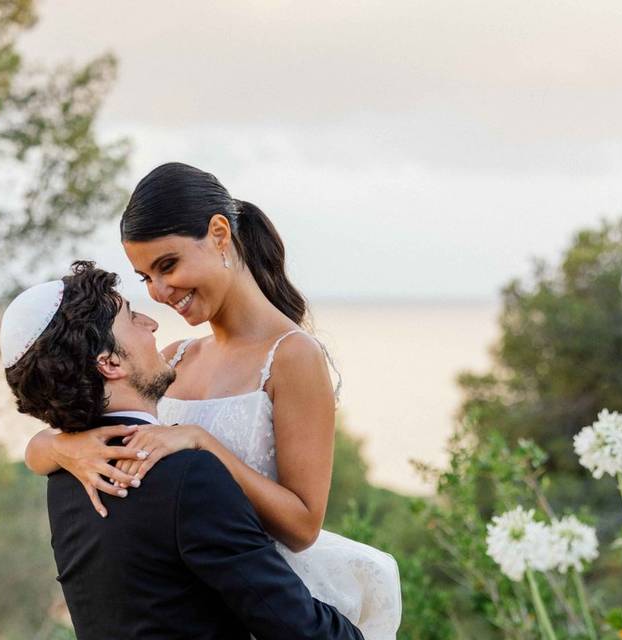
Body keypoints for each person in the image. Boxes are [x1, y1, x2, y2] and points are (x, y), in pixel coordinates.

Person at [25, 163, 401, 639]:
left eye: (168, 265)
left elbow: (304, 525)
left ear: (219, 235)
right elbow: (50, 443)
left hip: (267, 603)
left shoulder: (292, 357)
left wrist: (203, 443)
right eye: (145, 278)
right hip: (187, 606)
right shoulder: (173, 358)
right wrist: (63, 449)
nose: (160, 293)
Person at [2, 262, 364, 640]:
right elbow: (299, 628)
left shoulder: (64, 475)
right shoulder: (186, 476)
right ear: (109, 363)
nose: (152, 324)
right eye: (133, 317)